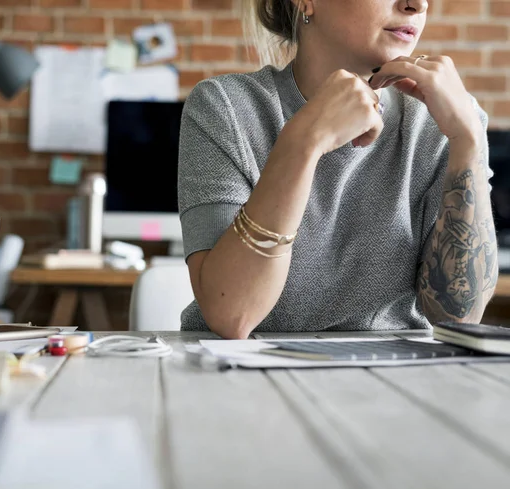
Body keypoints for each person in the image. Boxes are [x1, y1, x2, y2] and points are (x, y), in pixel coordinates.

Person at [177, 0, 498, 339]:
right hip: (247, 379)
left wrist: (467, 142)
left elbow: (459, 316)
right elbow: (232, 316)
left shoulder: (446, 121)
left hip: (392, 377)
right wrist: (305, 141)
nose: (417, 4)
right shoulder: (225, 107)